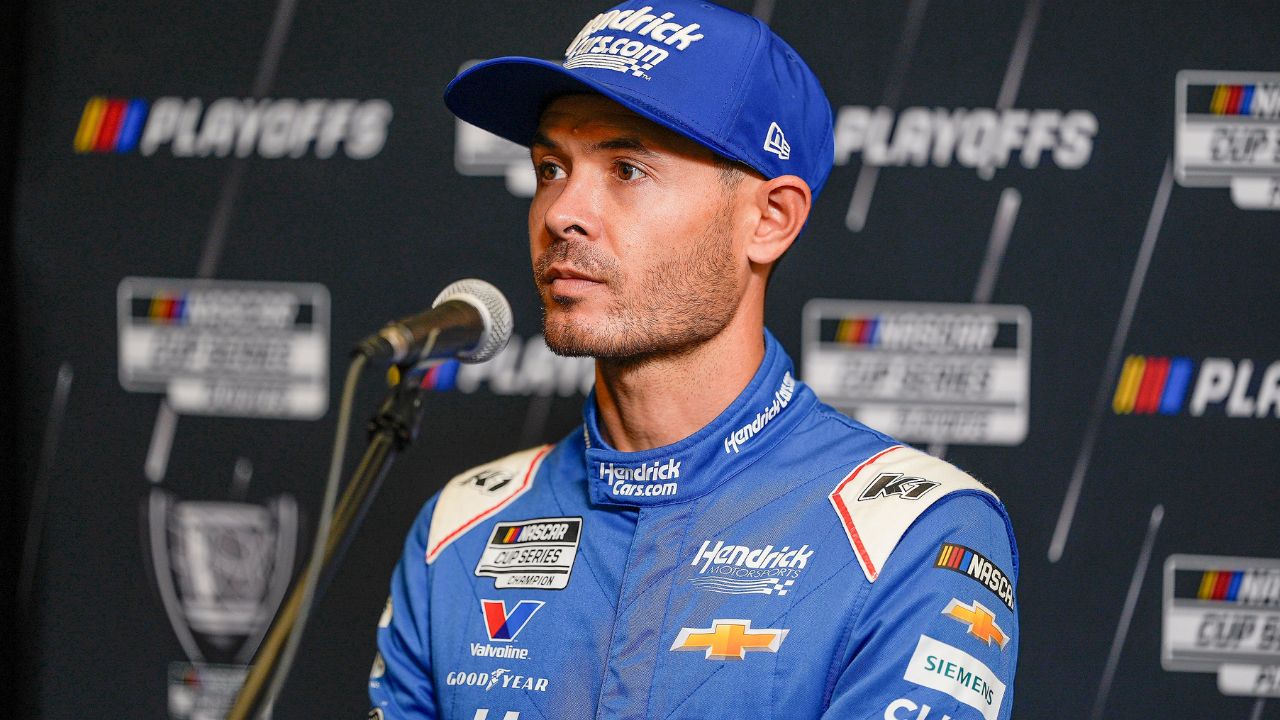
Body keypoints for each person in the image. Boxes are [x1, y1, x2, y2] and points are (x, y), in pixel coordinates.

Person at [370, 2, 1018, 718]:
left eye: (626, 168)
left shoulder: (914, 531)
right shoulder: (460, 528)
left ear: (769, 221)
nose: (561, 213)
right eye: (551, 166)